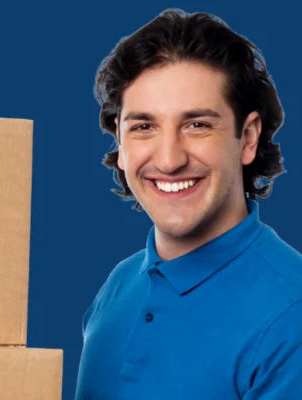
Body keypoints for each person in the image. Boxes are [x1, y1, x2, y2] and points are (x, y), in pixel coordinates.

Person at [74, 8, 302, 400]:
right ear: (120, 143)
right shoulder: (118, 285)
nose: (169, 159)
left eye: (197, 124)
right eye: (144, 126)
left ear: (247, 138)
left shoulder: (292, 315)